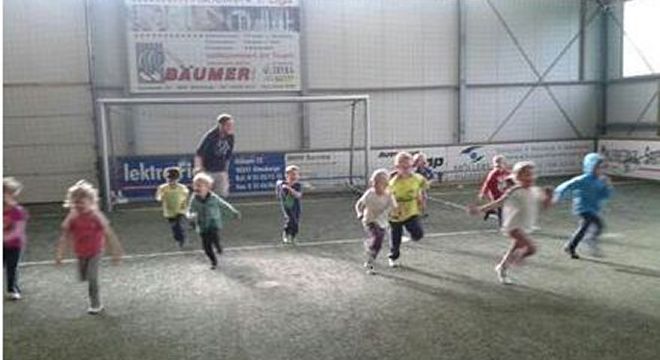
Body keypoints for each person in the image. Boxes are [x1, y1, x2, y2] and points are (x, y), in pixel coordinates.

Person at [469, 162, 552, 284]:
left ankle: (502, 267)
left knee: (514, 248)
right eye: (526, 175)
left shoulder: (535, 190)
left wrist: (549, 197)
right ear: (517, 178)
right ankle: (516, 260)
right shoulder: (515, 190)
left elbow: (545, 206)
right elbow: (498, 202)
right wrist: (479, 209)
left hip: (525, 226)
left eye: (532, 174)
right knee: (532, 249)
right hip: (513, 226)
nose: (530, 177)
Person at [55, 180, 124, 314]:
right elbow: (65, 236)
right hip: (80, 252)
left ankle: (96, 304)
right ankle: (88, 282)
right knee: (83, 277)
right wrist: (60, 254)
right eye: (75, 203)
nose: (79, 205)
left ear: (91, 201)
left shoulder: (96, 216)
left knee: (92, 278)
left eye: (82, 202)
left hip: (95, 251)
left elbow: (109, 233)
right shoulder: (72, 217)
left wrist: (116, 251)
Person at [553, 153, 613, 259]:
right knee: (586, 226)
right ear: (590, 167)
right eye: (597, 167)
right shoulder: (583, 179)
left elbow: (605, 195)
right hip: (582, 208)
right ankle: (577, 245)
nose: (600, 170)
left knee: (597, 226)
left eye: (602, 167)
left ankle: (573, 245)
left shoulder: (600, 181)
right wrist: (558, 195)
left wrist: (607, 186)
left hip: (593, 208)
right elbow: (567, 185)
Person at [187, 172, 241, 269]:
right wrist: (190, 216)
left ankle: (218, 245)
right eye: (195, 185)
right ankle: (213, 261)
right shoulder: (194, 199)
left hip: (213, 223)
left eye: (200, 186)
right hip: (202, 225)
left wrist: (234, 212)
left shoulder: (213, 198)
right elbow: (190, 210)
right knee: (206, 246)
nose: (197, 188)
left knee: (214, 237)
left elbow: (224, 205)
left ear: (208, 187)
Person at [387, 151, 429, 268]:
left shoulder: (418, 178)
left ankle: (411, 235)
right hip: (395, 214)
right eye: (403, 167)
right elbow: (386, 196)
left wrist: (422, 201)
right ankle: (393, 257)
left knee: (418, 233)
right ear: (397, 167)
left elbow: (422, 189)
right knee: (395, 238)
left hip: (411, 211)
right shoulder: (392, 182)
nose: (406, 170)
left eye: (409, 167)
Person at [355, 169, 397, 274]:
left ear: (386, 184)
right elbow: (359, 205)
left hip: (382, 222)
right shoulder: (369, 193)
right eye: (374, 183)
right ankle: (370, 264)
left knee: (378, 244)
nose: (376, 186)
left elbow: (395, 208)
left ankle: (370, 256)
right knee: (377, 236)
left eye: (379, 184)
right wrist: (359, 213)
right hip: (369, 220)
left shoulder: (389, 195)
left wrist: (394, 214)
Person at [194, 113, 235, 197]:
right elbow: (199, 154)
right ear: (221, 125)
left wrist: (225, 170)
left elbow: (228, 155)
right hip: (208, 170)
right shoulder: (211, 136)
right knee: (205, 196)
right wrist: (199, 170)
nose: (230, 127)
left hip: (221, 170)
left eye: (231, 125)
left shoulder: (230, 137)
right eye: (228, 125)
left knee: (222, 195)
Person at [3, 177, 29, 301]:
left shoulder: (18, 211)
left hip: (14, 245)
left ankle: (12, 289)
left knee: (12, 267)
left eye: (11, 195)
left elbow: (18, 231)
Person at [155, 167, 190, 248]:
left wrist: (186, 209)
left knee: (179, 224)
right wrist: (160, 197)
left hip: (180, 211)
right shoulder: (163, 188)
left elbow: (186, 198)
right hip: (169, 212)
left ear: (178, 179)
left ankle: (182, 238)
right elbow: (158, 197)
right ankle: (179, 239)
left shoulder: (182, 188)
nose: (171, 181)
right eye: (169, 179)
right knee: (174, 228)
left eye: (174, 179)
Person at [478, 155, 510, 226]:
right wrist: (483, 192)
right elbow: (487, 183)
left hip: (503, 193)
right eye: (497, 165)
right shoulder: (493, 174)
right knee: (501, 208)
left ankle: (490, 211)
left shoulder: (506, 172)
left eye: (501, 164)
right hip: (495, 194)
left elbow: (511, 179)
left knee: (504, 208)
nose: (499, 167)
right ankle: (502, 224)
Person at [276, 165, 303, 244]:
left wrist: (290, 188)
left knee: (296, 221)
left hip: (296, 206)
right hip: (287, 206)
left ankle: (293, 236)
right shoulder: (283, 185)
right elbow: (279, 188)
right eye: (292, 174)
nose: (294, 176)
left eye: (296, 174)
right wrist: (282, 188)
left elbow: (298, 195)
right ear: (287, 175)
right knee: (290, 219)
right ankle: (286, 234)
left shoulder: (297, 185)